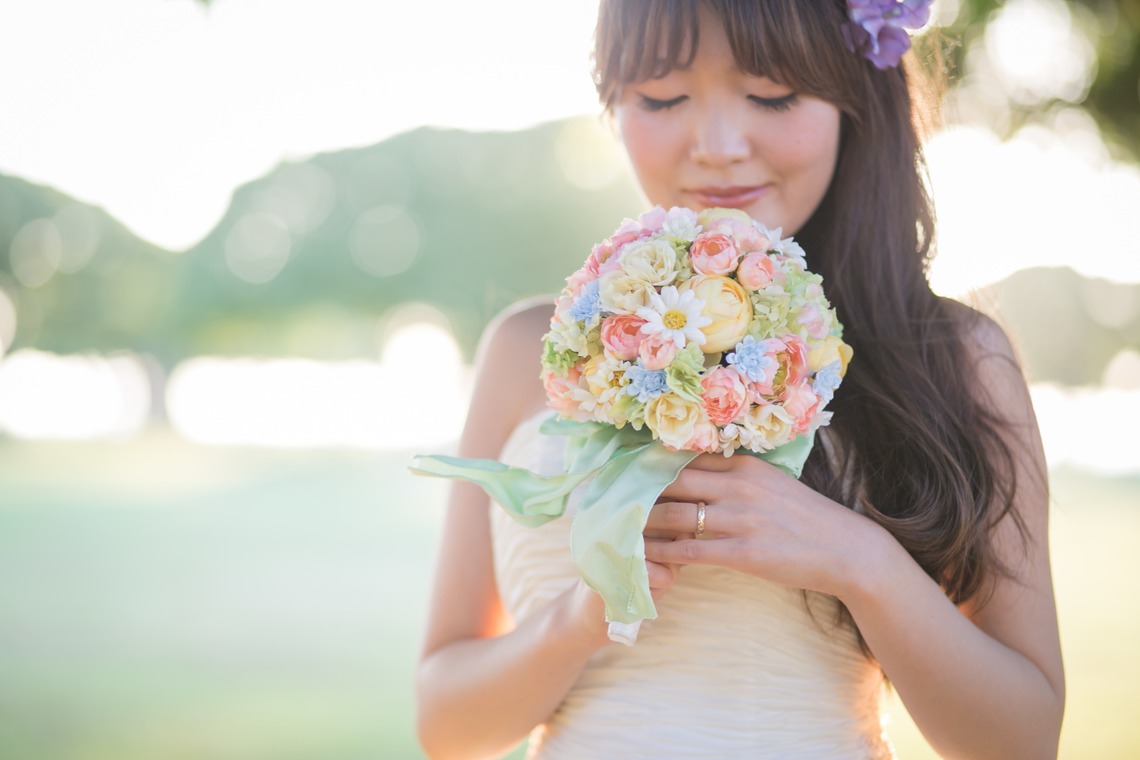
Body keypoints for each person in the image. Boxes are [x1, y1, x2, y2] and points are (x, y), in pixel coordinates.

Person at [415, 1, 1065, 757]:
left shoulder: (956, 356)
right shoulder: (526, 350)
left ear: (856, 97)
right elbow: (446, 728)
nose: (719, 147)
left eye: (771, 94)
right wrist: (589, 611)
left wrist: (860, 560)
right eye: (662, 97)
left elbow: (1021, 743)